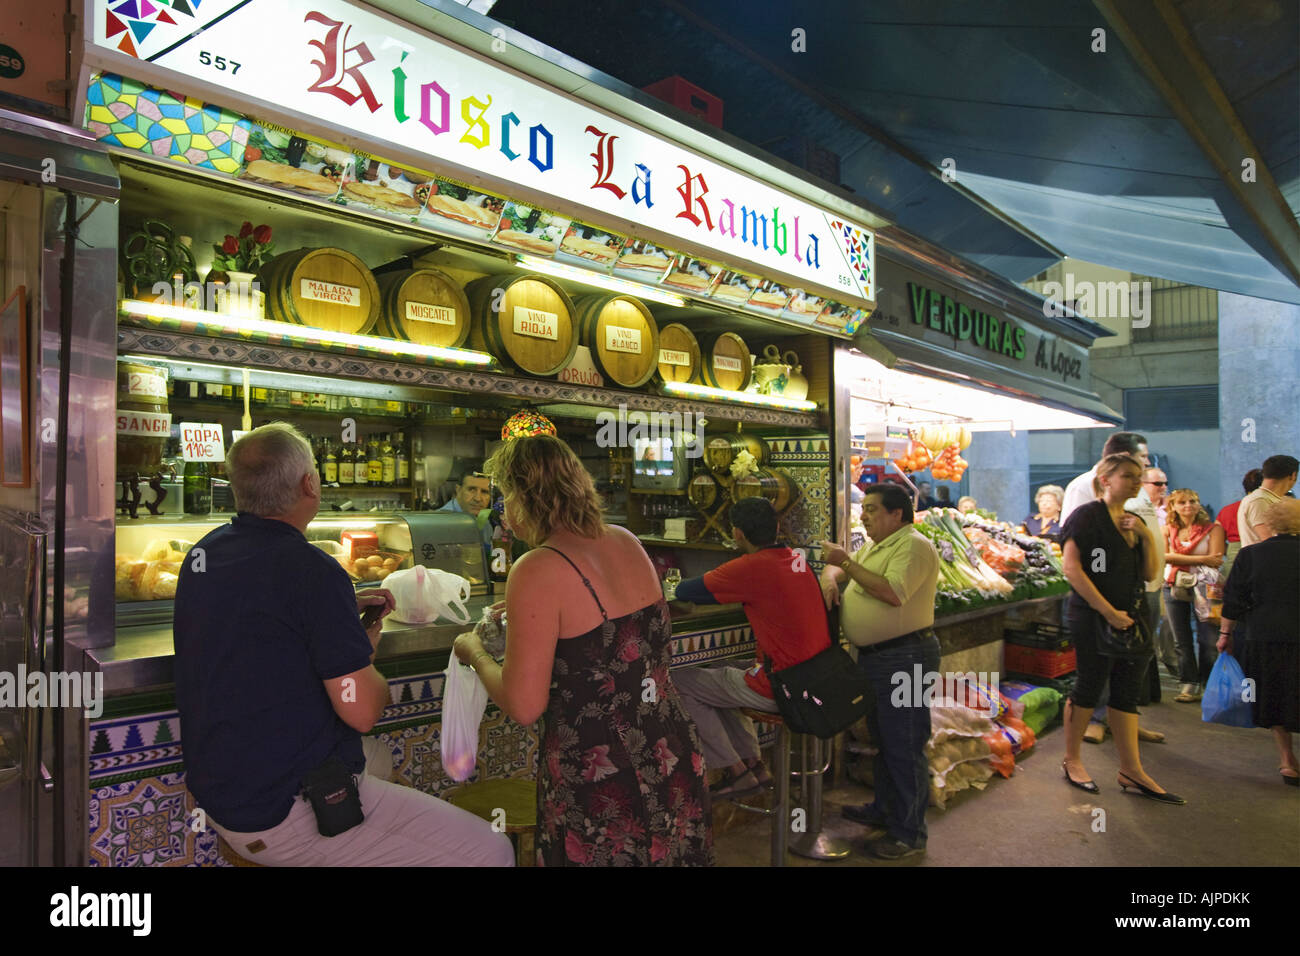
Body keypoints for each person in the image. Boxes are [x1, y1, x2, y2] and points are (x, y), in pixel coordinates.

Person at [173, 423, 514, 867]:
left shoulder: (203, 556)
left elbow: (261, 623)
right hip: (285, 812)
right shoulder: (313, 570)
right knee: (491, 849)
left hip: (221, 792)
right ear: (309, 484)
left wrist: (338, 621)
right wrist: (360, 653)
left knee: (376, 759)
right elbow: (363, 710)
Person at [451, 435, 712, 866]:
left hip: (602, 772)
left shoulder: (535, 567)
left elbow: (523, 705)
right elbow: (614, 631)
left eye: (505, 495)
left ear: (524, 496)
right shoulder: (626, 540)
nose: (502, 509)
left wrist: (474, 651)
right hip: (670, 748)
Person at [670, 498, 831, 798]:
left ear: (737, 533)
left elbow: (685, 590)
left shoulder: (752, 567)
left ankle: (736, 771)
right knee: (720, 678)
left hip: (782, 688)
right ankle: (755, 765)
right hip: (814, 680)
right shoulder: (797, 560)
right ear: (777, 527)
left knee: (677, 681)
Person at [819, 483, 941, 859]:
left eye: (872, 509)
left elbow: (893, 592)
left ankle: (909, 834)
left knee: (904, 744)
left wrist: (846, 565)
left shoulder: (913, 546)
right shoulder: (877, 545)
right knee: (884, 741)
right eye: (865, 509)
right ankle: (886, 810)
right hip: (877, 658)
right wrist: (830, 577)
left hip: (906, 658)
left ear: (896, 514)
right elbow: (839, 571)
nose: (864, 515)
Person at [1059, 453, 1181, 804]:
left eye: (1137, 476)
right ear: (1105, 478)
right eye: (1127, 475)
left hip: (1132, 616)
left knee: (1127, 690)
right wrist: (1108, 611)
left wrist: (1144, 535)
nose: (1134, 481)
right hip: (1094, 616)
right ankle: (1072, 760)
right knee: (1089, 685)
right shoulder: (1087, 516)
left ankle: (1131, 769)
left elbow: (1148, 572)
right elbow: (1072, 569)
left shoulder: (1130, 520)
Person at [1218, 498, 1300, 786]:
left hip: (1263, 635)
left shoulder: (1251, 555)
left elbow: (1233, 600)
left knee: (1274, 693)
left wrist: (1225, 634)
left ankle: (1287, 760)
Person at [1162, 489, 1225, 703]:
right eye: (1182, 502)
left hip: (1206, 587)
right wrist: (1201, 558)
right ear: (1173, 506)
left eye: (1192, 501)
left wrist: (1179, 557)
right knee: (1181, 638)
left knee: (1208, 638)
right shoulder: (1168, 529)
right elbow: (1164, 556)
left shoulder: (1213, 529)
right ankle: (1189, 682)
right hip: (1173, 585)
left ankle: (1208, 682)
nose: (1188, 506)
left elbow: (1216, 559)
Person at [1060, 431, 1148, 523]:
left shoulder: (1137, 486)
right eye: (1143, 456)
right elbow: (1071, 529)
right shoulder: (1082, 485)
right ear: (1124, 456)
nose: (1147, 462)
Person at [1239, 455, 1299, 546]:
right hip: (1265, 559)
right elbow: (1269, 540)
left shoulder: (1269, 499)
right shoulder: (1259, 500)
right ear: (1293, 475)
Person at [438, 467, 494, 559]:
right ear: (458, 490)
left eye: (484, 492)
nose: (478, 498)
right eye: (472, 490)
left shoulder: (483, 517)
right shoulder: (441, 521)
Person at [1217, 469, 1262, 583]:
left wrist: (1233, 553)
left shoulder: (1226, 511)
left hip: (1233, 564)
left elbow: (1218, 544)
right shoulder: (1268, 508)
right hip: (1261, 562)